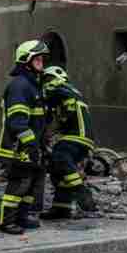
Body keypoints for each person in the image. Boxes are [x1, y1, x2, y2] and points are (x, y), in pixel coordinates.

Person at [0, 40, 49, 235]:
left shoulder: (33, 85)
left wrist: (41, 145)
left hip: (32, 145)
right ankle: (7, 222)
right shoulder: (20, 85)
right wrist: (30, 144)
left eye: (42, 59)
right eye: (37, 59)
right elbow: (17, 122)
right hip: (18, 146)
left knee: (33, 182)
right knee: (20, 183)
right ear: (26, 61)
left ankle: (22, 216)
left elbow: (38, 120)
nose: (42, 62)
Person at [39, 66, 99, 221]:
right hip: (75, 135)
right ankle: (61, 208)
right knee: (58, 170)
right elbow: (60, 120)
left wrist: (38, 93)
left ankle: (81, 192)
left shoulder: (63, 88)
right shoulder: (64, 97)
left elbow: (50, 93)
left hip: (79, 135)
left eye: (48, 79)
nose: (46, 82)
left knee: (60, 156)